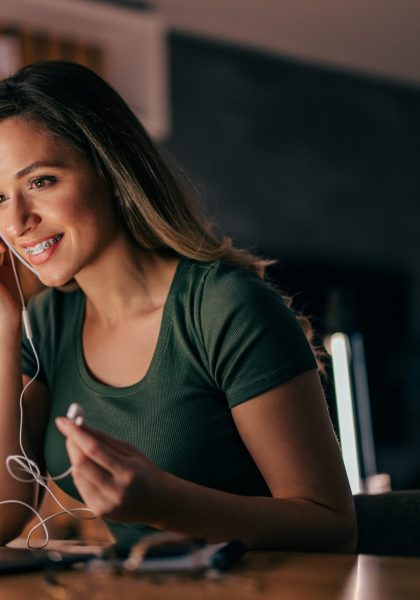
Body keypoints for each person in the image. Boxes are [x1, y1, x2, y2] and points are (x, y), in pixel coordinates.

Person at [0, 61, 356, 552]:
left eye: (40, 181)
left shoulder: (225, 307)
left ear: (109, 168)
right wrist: (4, 324)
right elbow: (5, 517)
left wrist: (165, 504)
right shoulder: (44, 326)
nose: (16, 221)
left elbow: (334, 525)